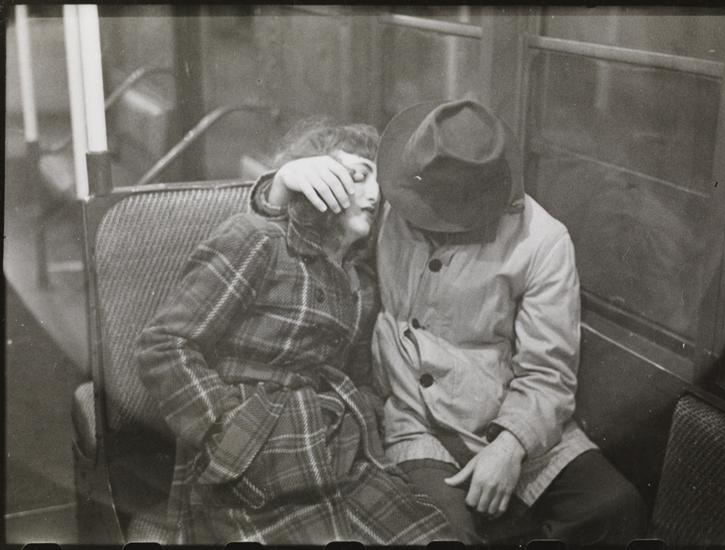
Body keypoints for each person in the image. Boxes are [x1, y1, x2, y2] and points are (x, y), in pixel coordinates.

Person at [251, 100, 648, 544]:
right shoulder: (392, 198)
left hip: (511, 416)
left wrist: (511, 445)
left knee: (615, 508)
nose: (422, 220)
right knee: (442, 536)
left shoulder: (543, 240)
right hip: (414, 423)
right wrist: (278, 186)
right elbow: (294, 238)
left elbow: (548, 372)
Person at [135, 120, 455, 545]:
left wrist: (362, 419)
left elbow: (360, 375)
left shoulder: (361, 282)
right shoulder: (261, 241)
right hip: (248, 469)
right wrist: (226, 431)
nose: (374, 195)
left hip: (336, 455)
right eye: (359, 176)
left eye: (378, 184)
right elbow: (163, 345)